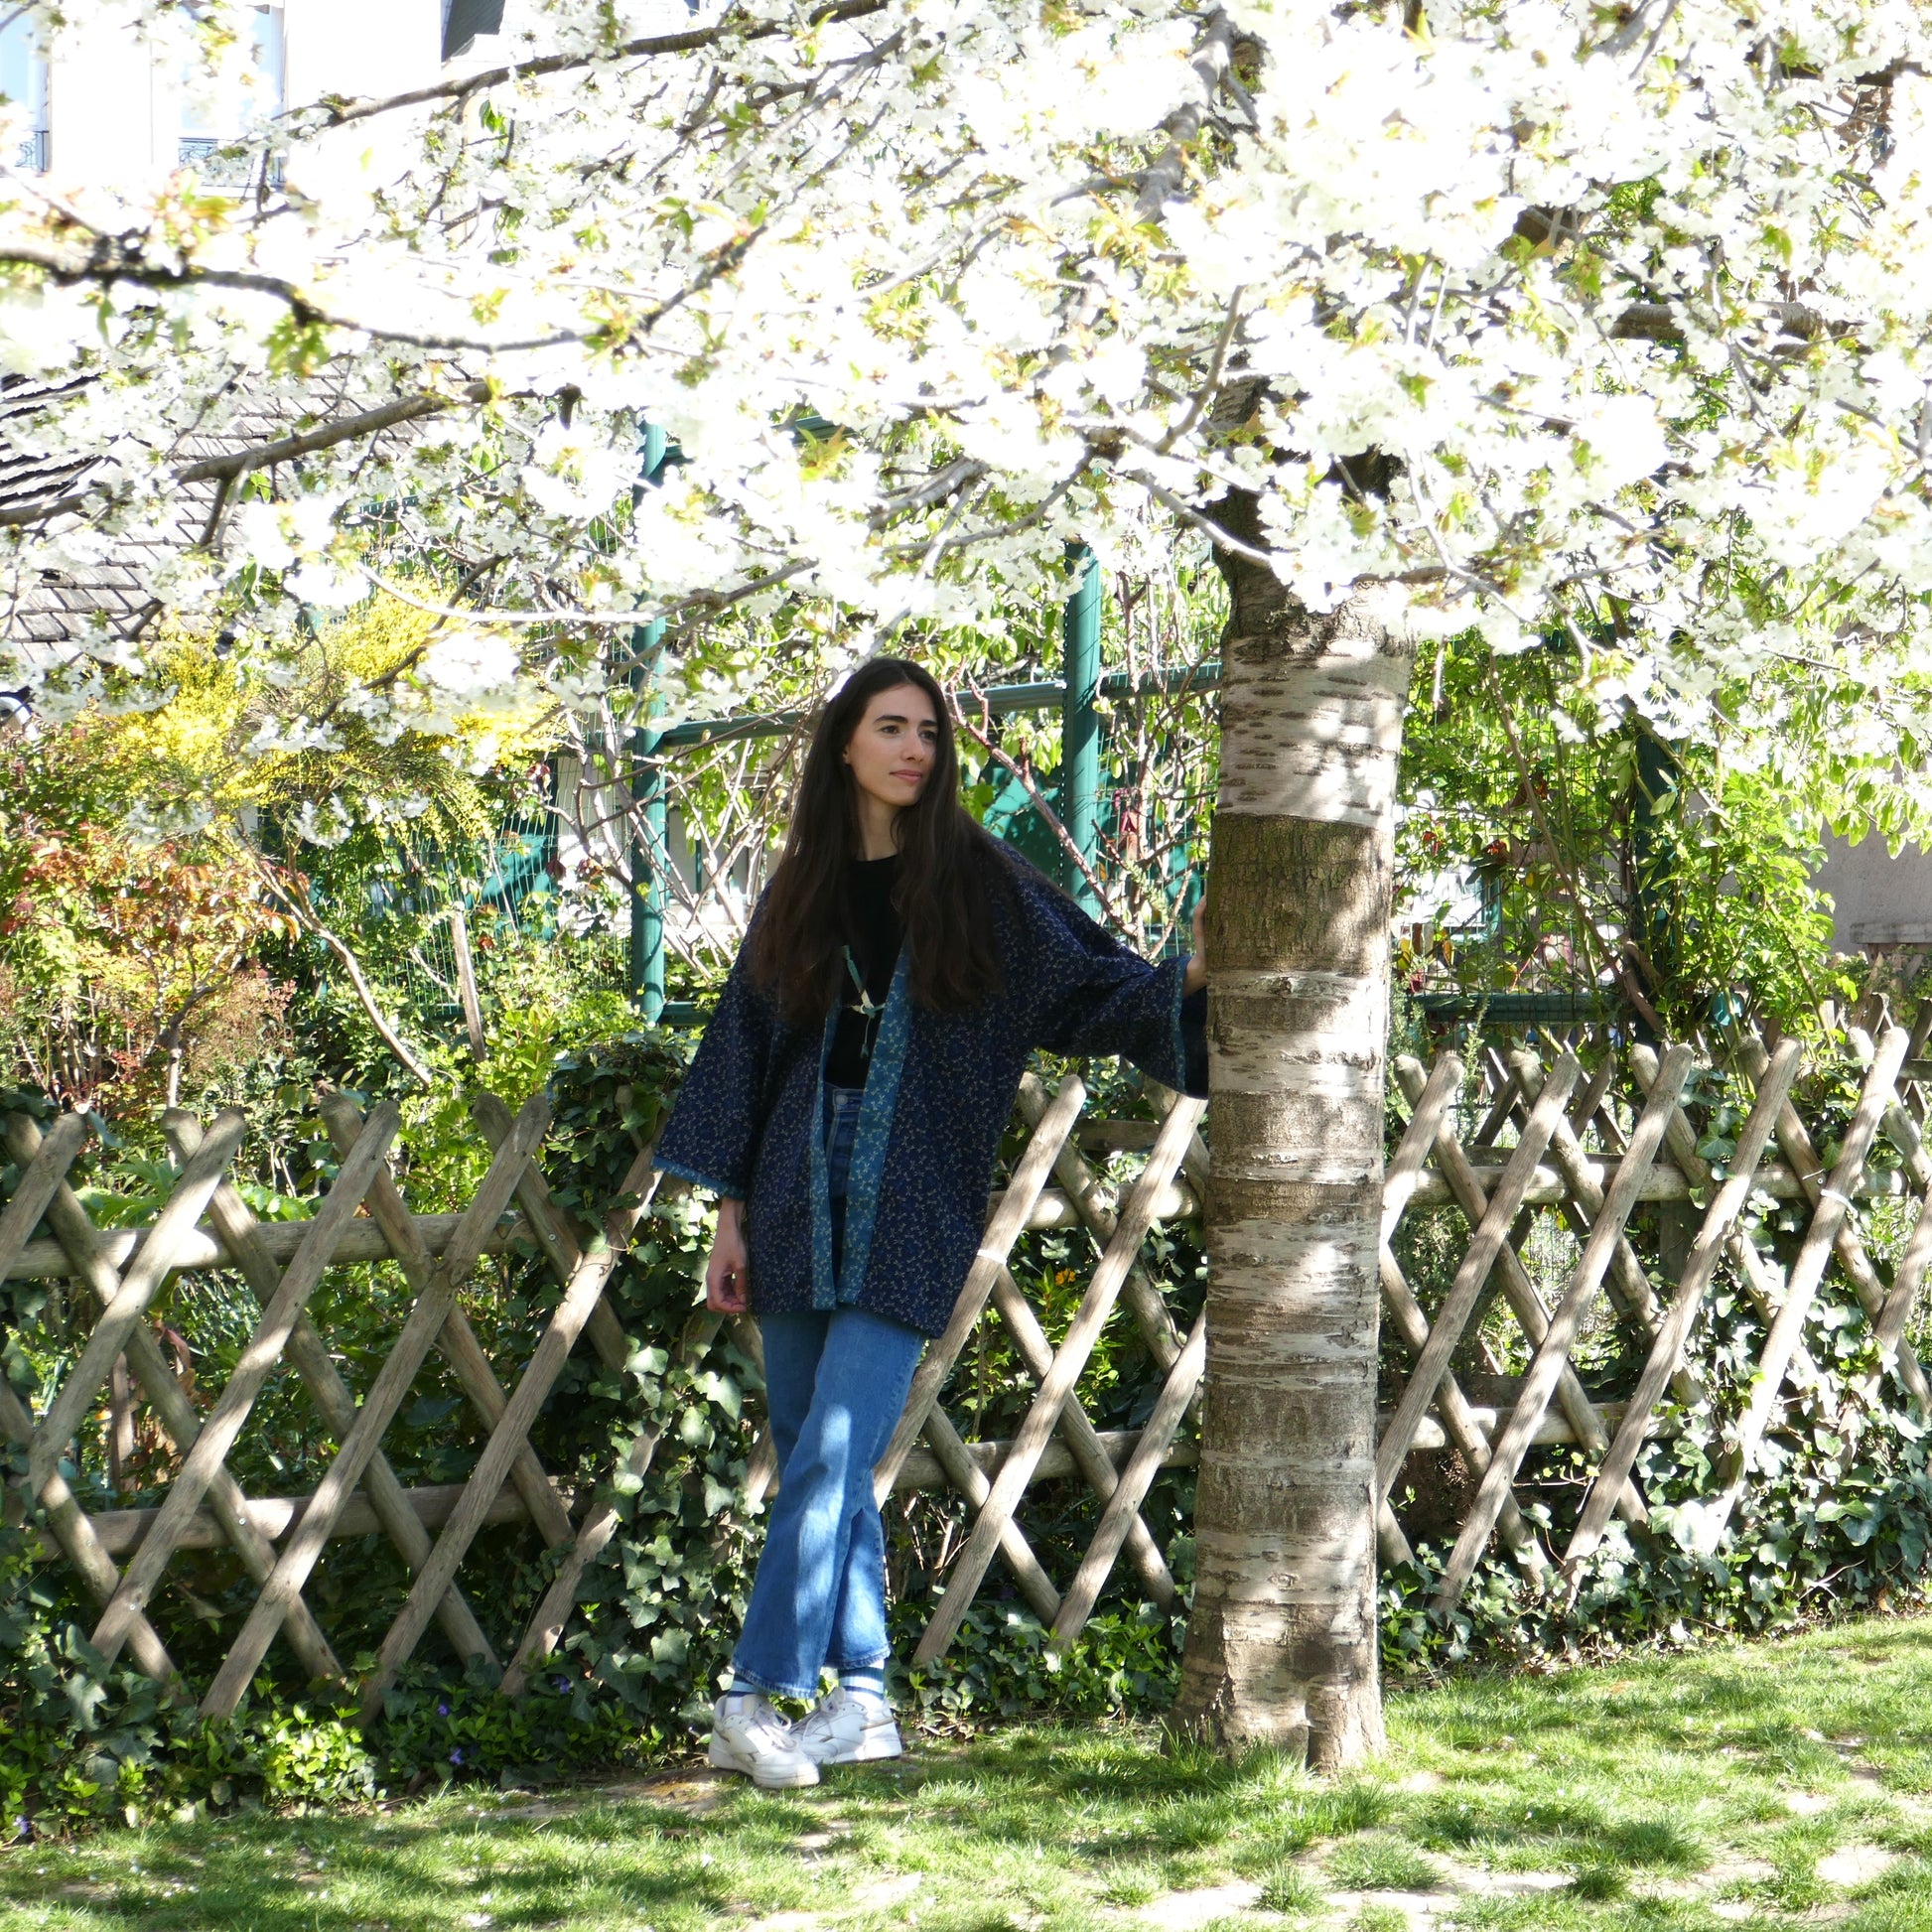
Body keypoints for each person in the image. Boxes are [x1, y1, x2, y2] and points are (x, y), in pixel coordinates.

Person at [652, 654, 1208, 1789]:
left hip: (912, 1187)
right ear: (844, 744)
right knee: (823, 1455)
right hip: (797, 1184)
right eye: (890, 727)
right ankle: (863, 1697)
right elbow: (745, 1055)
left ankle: (747, 1693)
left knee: (835, 1445)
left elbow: (1086, 985)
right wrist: (729, 1215)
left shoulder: (979, 881)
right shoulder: (797, 887)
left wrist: (1184, 979)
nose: (914, 748)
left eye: (928, 731)